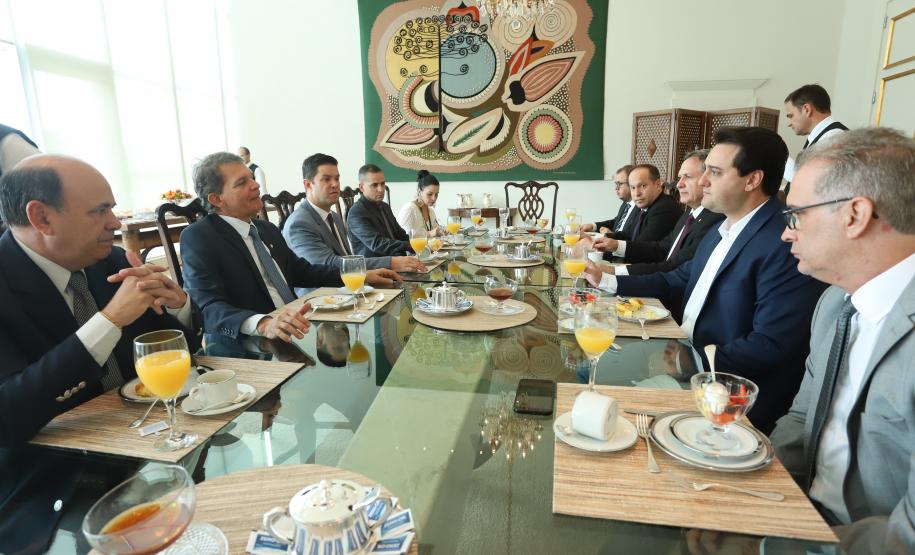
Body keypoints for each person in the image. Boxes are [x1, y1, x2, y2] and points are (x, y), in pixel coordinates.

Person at [584, 127, 827, 433]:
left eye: (714, 171)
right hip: (684, 364)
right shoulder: (720, 227)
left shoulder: (784, 242)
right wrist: (606, 280)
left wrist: (691, 361)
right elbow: (677, 278)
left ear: (752, 179)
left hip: (728, 401)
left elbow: (771, 345)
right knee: (590, 385)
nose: (702, 181)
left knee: (602, 406)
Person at [770, 128, 915, 553]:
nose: (786, 233)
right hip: (803, 510)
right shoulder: (835, 303)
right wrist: (746, 490)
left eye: (796, 215)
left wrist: (775, 547)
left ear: (854, 215)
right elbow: (801, 419)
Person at [0, 154, 200, 446]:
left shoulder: (111, 261)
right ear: (42, 218)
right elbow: (7, 417)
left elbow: (181, 355)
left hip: (151, 434)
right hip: (55, 467)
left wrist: (179, 305)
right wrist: (109, 321)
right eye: (100, 211)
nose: (115, 223)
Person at [180, 152, 399, 356]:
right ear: (216, 199)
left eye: (251, 178)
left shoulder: (266, 229)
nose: (256, 185)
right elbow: (206, 306)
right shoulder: (199, 237)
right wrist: (262, 323)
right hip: (249, 347)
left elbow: (302, 271)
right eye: (242, 182)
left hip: (295, 329)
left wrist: (361, 274)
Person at [283, 154, 426, 294]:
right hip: (321, 299)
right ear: (308, 185)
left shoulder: (334, 217)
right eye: (326, 179)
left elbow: (347, 258)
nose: (335, 184)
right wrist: (390, 262)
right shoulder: (299, 224)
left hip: (351, 290)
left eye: (337, 178)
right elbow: (328, 264)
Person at [583, 150, 724, 275]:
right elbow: (660, 248)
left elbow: (671, 265)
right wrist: (614, 245)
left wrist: (613, 271)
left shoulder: (669, 209)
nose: (679, 184)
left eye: (688, 176)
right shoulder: (690, 214)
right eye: (633, 187)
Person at [593, 164, 681, 258]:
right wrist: (597, 240)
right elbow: (629, 235)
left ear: (658, 185)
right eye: (633, 188)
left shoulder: (664, 209)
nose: (636, 193)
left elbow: (641, 251)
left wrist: (597, 251)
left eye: (643, 186)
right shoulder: (644, 206)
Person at [782, 84, 848, 187]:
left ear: (807, 110)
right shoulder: (823, 136)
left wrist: (780, 156)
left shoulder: (834, 138)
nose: (789, 123)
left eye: (791, 116)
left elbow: (812, 185)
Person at [347, 164, 416, 258]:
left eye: (383, 184)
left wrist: (421, 243)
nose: (381, 189)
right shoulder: (356, 213)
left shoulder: (385, 207)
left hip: (400, 262)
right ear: (362, 187)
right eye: (374, 185)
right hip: (376, 268)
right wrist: (408, 246)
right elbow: (377, 244)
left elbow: (401, 235)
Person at [581, 165, 635, 234]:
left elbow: (633, 236)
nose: (616, 188)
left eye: (620, 184)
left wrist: (612, 235)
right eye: (616, 184)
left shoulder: (640, 208)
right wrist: (593, 226)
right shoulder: (626, 203)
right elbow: (616, 222)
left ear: (632, 183)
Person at [397, 170, 445, 237]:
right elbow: (401, 237)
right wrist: (429, 234)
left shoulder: (431, 212)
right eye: (430, 194)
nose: (434, 198)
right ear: (420, 191)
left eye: (436, 194)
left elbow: (436, 232)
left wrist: (442, 232)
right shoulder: (409, 209)